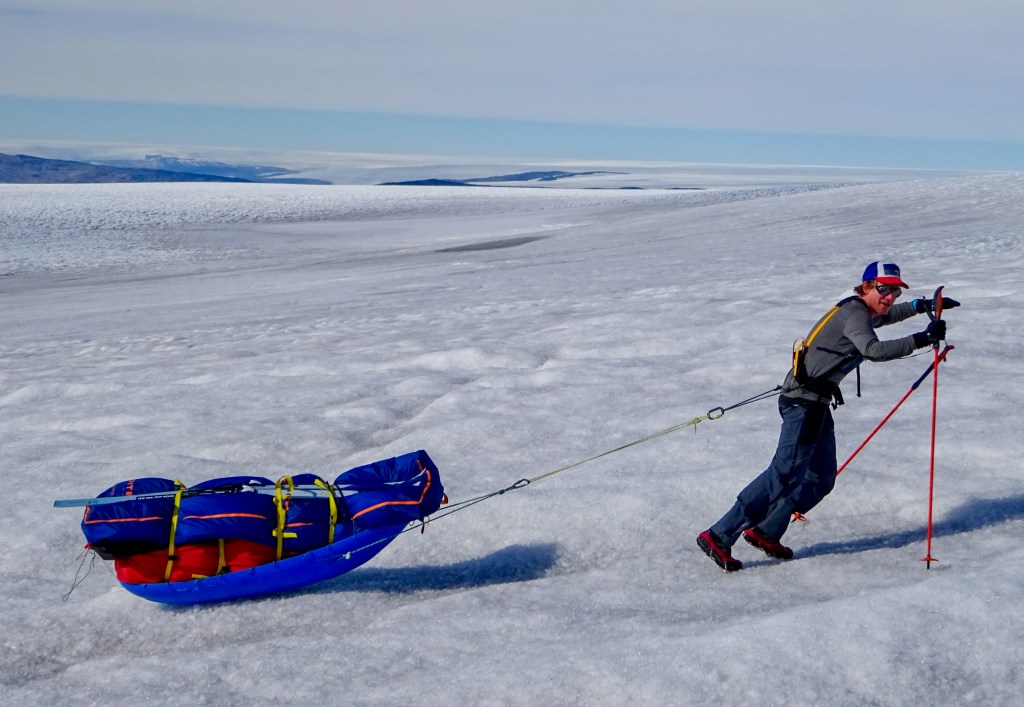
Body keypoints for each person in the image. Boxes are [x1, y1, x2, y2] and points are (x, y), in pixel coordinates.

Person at [697, 261, 960, 571]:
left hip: (816, 405)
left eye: (895, 291)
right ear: (866, 287)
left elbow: (885, 317)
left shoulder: (862, 311)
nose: (889, 296)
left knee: (821, 477)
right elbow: (873, 349)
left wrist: (921, 306)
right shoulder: (855, 314)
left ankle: (766, 530)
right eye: (883, 289)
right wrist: (922, 338)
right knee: (782, 477)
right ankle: (719, 535)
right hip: (802, 405)